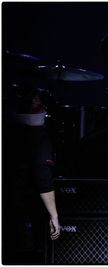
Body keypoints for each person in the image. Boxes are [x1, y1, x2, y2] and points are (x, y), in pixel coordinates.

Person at [3, 87, 60, 262]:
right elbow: (43, 179)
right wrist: (54, 216)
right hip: (23, 209)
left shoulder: (9, 130)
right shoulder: (39, 136)